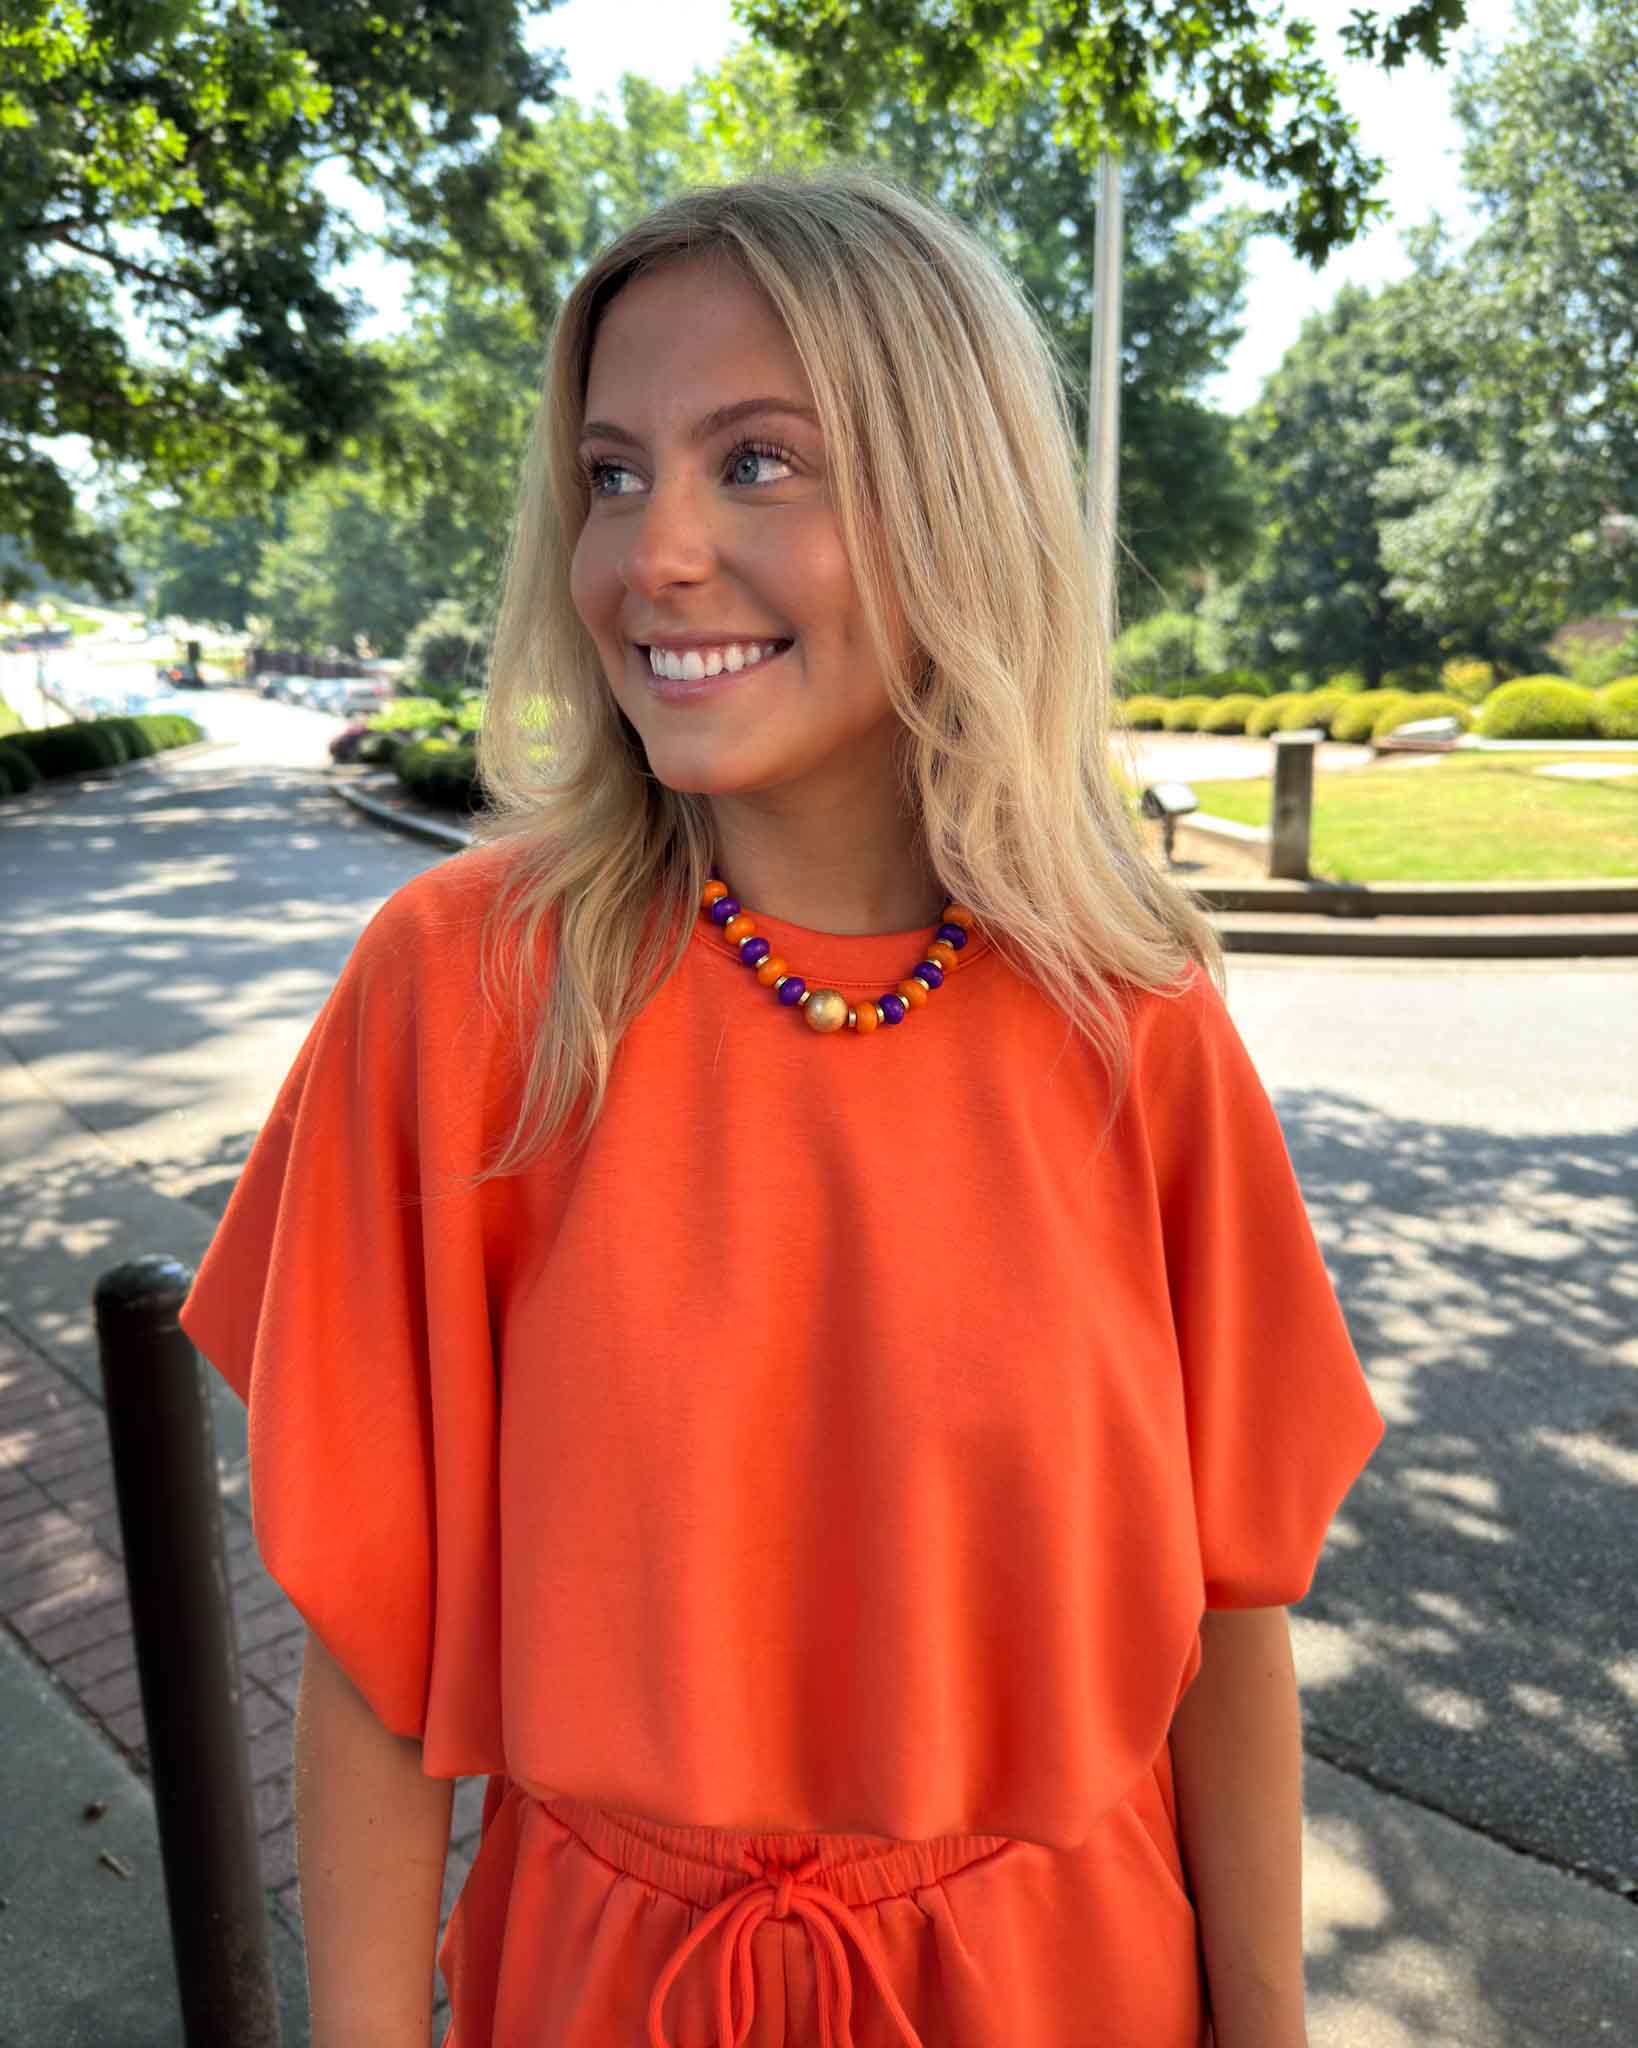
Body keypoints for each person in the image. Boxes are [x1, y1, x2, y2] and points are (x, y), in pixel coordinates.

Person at [181, 167, 1384, 2048]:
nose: (649, 554)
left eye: (756, 462)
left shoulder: (1130, 1015)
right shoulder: (463, 991)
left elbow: (1228, 1617)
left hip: (1064, 1989)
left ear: (954, 503)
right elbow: (375, 1647)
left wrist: (1268, 2026)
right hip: (599, 1992)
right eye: (609, 472)